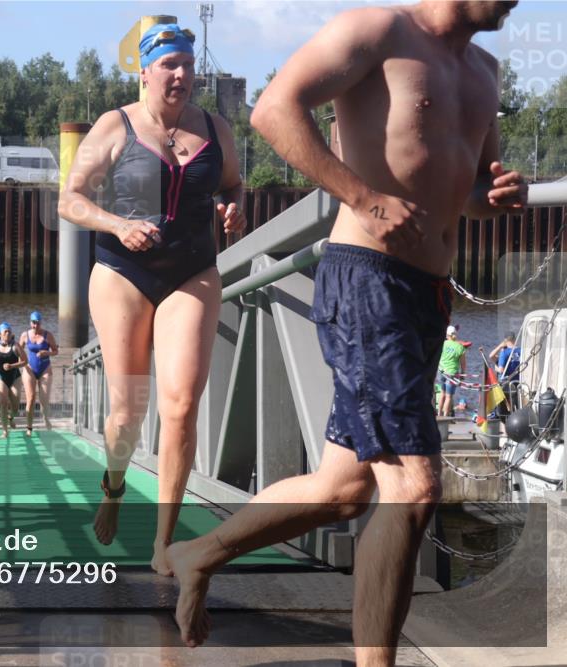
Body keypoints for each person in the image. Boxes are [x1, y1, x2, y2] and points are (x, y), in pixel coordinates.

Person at [163, 2, 527, 661]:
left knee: (343, 491)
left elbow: (471, 186)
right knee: (413, 487)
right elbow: (273, 109)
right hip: (368, 280)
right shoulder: (379, 32)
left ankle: (199, 553)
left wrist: (492, 194)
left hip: (428, 293)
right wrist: (362, 198)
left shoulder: (485, 70)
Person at [58, 22, 246, 575]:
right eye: (170, 65)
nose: (182, 75)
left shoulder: (216, 128)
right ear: (144, 71)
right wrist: (117, 225)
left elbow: (234, 183)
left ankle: (164, 543)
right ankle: (114, 487)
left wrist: (235, 206)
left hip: (193, 270)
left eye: (188, 65)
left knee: (182, 406)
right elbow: (70, 199)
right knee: (127, 411)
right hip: (123, 272)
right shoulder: (114, 126)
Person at [19, 311, 59, 435]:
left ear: (41, 323)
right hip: (30, 369)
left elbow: (55, 351)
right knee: (30, 399)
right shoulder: (25, 335)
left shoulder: (48, 335)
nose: (35, 325)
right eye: (33, 323)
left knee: (44, 400)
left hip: (45, 369)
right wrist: (21, 364)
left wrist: (45, 353)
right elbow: (19, 351)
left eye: (37, 323)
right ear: (30, 322)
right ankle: (29, 427)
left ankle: (46, 419)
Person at [0, 323, 28, 438]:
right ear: (0, 334)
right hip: (0, 377)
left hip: (15, 377)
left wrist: (13, 366)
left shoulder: (16, 346)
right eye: (5, 331)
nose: (8, 333)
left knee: (15, 406)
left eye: (9, 331)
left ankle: (11, 417)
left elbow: (25, 361)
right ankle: (5, 431)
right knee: (3, 403)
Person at [438, 324, 467, 417]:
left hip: (442, 372)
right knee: (448, 396)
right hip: (452, 374)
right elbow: (463, 364)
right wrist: (463, 374)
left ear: (447, 335)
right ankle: (445, 417)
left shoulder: (442, 344)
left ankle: (438, 414)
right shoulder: (460, 347)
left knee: (442, 394)